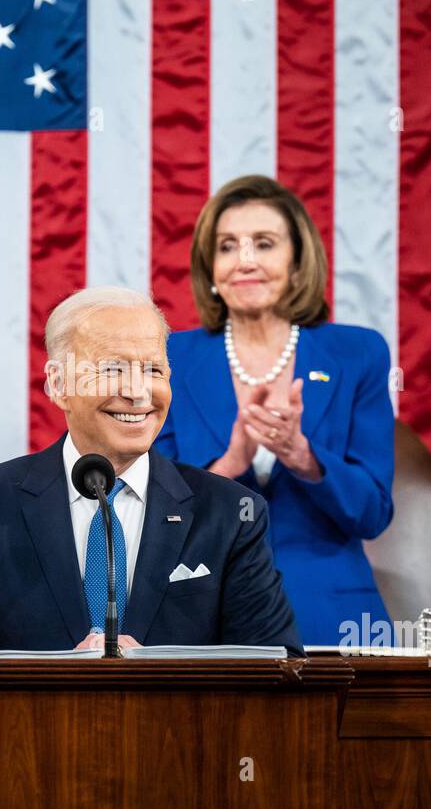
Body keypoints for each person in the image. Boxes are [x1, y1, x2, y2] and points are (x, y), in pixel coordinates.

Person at [0, 286, 303, 658]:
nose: (138, 392)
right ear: (58, 384)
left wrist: (163, 672)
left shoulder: (231, 513)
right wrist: (54, 676)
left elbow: (277, 665)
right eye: (113, 369)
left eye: (153, 370)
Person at [152, 175, 395, 646]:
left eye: (263, 244)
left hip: (333, 617)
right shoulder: (170, 358)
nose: (245, 260)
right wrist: (231, 463)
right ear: (211, 269)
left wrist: (303, 456)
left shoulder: (357, 353)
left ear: (299, 264)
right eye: (227, 246)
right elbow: (155, 518)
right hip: (201, 615)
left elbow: (372, 513)